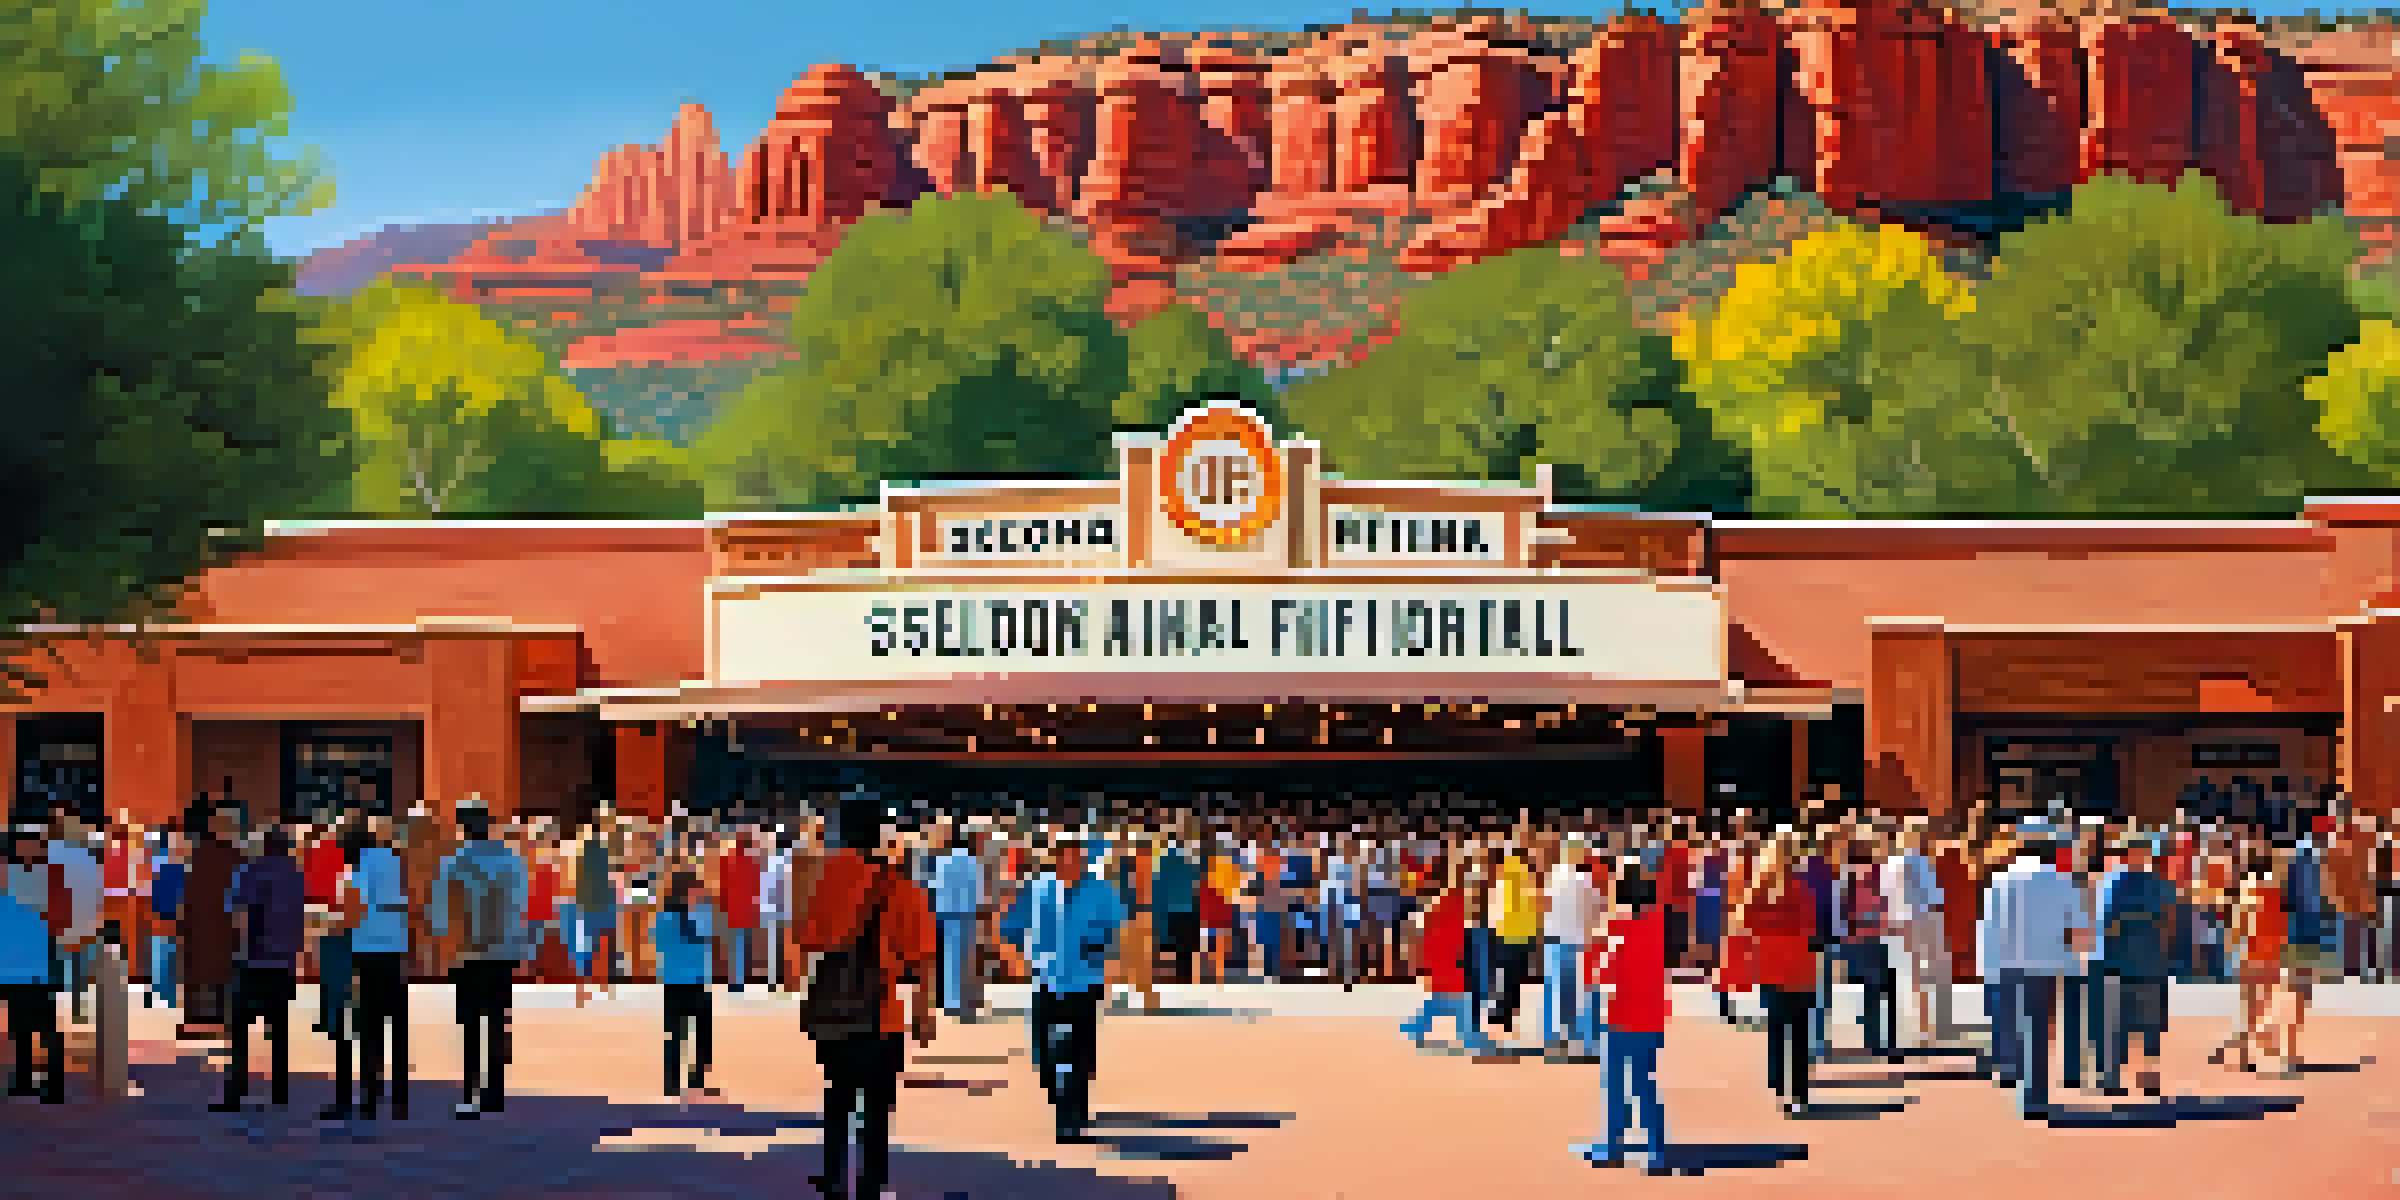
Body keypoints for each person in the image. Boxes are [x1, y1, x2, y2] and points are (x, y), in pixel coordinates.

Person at [792, 787, 938, 1200]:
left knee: (837, 1092)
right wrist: (923, 1011)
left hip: (836, 1008)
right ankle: (872, 1182)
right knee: (876, 1104)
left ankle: (833, 1174)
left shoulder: (824, 877)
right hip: (882, 1010)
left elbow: (807, 940)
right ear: (878, 833)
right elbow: (923, 953)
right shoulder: (898, 883)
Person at [1003, 830, 1127, 1143]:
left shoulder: (1101, 890)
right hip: (1046, 979)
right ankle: (1062, 1100)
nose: (1069, 861)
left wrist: (1099, 947)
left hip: (1085, 982)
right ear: (1055, 858)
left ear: (1083, 858)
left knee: (1078, 1052)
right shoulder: (1038, 888)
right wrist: (1017, 956)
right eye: (1063, 855)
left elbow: (1118, 929)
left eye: (1076, 855)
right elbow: (1010, 926)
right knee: (1044, 1055)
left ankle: (1070, 1118)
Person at [1978, 821, 2094, 1119]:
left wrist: (1988, 964)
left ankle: (2013, 1073)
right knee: (2038, 1030)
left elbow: (1989, 926)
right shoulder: (2062, 881)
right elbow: (2079, 930)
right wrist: (2075, 963)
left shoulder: (2000, 880)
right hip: (2044, 964)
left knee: (2012, 1023)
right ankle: (2034, 1097)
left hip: (2007, 963)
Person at [430, 804, 530, 1119]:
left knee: (472, 1025)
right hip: (502, 953)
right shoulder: (511, 861)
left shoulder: (454, 863)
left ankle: (473, 1094)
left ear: (463, 828)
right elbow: (520, 906)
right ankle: (496, 1093)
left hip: (467, 954)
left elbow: (440, 916)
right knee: (498, 1022)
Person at [1584, 864, 1671, 1174]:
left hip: (1621, 1016)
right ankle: (1656, 1148)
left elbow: (1607, 973)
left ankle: (1613, 1145)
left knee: (1615, 1086)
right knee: (1644, 1084)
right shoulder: (1656, 925)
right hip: (1651, 1017)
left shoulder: (1618, 928)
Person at [214, 825, 305, 1113]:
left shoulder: (252, 871)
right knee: (279, 1030)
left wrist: (237, 952)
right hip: (285, 962)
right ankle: (280, 1092)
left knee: (239, 1029)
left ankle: (236, 1092)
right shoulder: (296, 875)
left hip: (254, 959)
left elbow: (238, 912)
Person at [327, 820, 412, 1122]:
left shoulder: (360, 866)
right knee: (397, 1024)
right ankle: (400, 1099)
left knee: (370, 1026)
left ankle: (370, 1097)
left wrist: (334, 924)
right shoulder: (392, 859)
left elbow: (355, 909)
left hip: (369, 948)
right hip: (395, 947)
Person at [1742, 834, 1820, 1116]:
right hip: (1799, 966)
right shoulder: (1800, 886)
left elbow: (1745, 921)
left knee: (1776, 1028)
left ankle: (1778, 1084)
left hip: (1772, 966)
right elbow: (1810, 924)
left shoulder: (1760, 885)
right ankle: (1798, 1093)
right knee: (1799, 1033)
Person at [2094, 832, 2176, 1098]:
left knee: (2143, 1025)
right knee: (2126, 1024)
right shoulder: (2120, 882)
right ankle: (2117, 1078)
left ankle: (2142, 1077)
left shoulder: (2148, 884)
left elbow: (2107, 923)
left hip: (2141, 964)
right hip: (2127, 964)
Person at [1401, 854, 1499, 1055]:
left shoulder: (1452, 901)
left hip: (1445, 958)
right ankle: (1470, 1037)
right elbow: (1439, 931)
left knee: (1444, 998)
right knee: (1458, 997)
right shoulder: (1454, 901)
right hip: (1445, 958)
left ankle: (1417, 1027)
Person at [1, 828, 67, 1103]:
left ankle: (52, 1083)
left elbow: (60, 916)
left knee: (44, 1025)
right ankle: (24, 1080)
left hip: (38, 963)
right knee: (21, 1027)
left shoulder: (48, 877)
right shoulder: (13, 878)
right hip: (15, 965)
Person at [1882, 817, 1951, 1047]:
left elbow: (1884, 898)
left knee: (1907, 978)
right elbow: (1935, 896)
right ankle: (1933, 1027)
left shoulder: (1890, 864)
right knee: (1933, 976)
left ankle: (1911, 1028)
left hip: (1896, 926)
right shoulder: (1920, 862)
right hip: (1923, 922)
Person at [655, 868, 718, 1100]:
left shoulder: (663, 916)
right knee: (701, 1034)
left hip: (672, 981)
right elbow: (710, 937)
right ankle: (696, 1080)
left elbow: (658, 945)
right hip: (695, 981)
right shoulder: (700, 914)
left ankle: (671, 1083)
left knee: (674, 1034)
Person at [180, 807, 243, 1035]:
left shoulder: (200, 854)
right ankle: (215, 1017)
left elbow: (189, 891)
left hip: (205, 924)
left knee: (204, 971)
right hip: (220, 925)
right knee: (219, 971)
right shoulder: (235, 856)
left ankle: (199, 1017)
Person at [1543, 837, 1601, 1056]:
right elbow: (1594, 911)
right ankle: (1582, 1039)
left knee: (1556, 992)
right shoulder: (1583, 879)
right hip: (1575, 942)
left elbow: (1545, 907)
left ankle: (1554, 1037)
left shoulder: (1553, 876)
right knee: (1579, 992)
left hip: (1555, 940)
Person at [304, 819, 350, 1035]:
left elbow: (308, 883)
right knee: (341, 967)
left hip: (321, 911)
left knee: (327, 967)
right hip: (341, 912)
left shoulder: (314, 853)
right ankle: (339, 1017)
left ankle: (329, 1018)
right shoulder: (341, 853)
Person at [932, 829, 984, 1018]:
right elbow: (979, 893)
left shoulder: (942, 862)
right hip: (967, 916)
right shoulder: (974, 863)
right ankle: (967, 1003)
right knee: (966, 960)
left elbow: (936, 889)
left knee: (948, 960)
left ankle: (949, 1003)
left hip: (944, 916)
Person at [577, 821, 619, 1004]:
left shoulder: (587, 853)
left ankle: (587, 989)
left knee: (589, 948)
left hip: (591, 908)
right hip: (603, 907)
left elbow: (582, 884)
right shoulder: (604, 851)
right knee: (604, 946)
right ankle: (606, 986)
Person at [717, 828, 761, 993]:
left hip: (730, 910)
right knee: (742, 947)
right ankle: (739, 981)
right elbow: (756, 889)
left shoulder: (726, 861)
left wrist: (722, 906)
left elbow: (723, 887)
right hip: (747, 911)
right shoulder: (753, 863)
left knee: (733, 947)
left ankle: (734, 982)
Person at [147, 830, 185, 1011]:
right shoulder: (176, 867)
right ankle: (167, 997)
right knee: (169, 954)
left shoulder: (160, 865)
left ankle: (164, 996)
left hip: (164, 915)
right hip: (170, 915)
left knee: (163, 954)